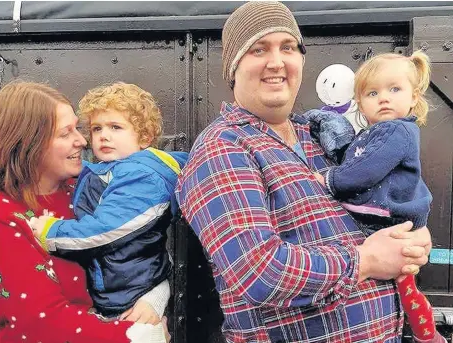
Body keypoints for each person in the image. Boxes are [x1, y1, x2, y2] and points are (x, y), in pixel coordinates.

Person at [175, 2, 434, 343]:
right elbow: (259, 270)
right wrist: (365, 261)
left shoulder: (320, 136)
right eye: (258, 49)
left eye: (288, 47)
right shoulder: (223, 147)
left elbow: (383, 203)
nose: (276, 62)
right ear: (233, 69)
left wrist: (412, 238)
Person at [0, 80, 170, 343]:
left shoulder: (83, 191)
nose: (83, 140)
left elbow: (142, 247)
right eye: (66, 133)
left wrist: (154, 297)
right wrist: (141, 338)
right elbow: (41, 321)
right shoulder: (3, 216)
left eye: (78, 128)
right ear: (30, 143)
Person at [310, 51, 444, 343]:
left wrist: (330, 179)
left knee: (404, 280)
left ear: (413, 97)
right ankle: (426, 333)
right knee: (404, 283)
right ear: (360, 102)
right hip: (386, 219)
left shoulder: (396, 131)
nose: (383, 98)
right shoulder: (376, 132)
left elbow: (365, 171)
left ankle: (428, 334)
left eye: (394, 89)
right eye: (373, 92)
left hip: (387, 221)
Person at [30, 83, 188, 328]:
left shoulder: (141, 177)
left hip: (132, 299)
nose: (104, 135)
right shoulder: (106, 172)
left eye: (116, 127)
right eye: (96, 128)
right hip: (116, 295)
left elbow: (105, 230)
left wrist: (51, 232)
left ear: (144, 138)